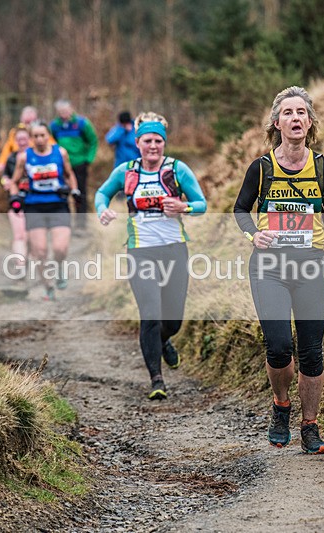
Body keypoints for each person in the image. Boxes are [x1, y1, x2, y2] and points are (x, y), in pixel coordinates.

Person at [233, 86, 324, 454]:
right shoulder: (261, 168)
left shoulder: (322, 167)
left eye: (302, 112)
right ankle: (281, 405)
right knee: (278, 347)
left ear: (310, 122)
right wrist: (254, 235)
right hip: (270, 267)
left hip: (311, 266)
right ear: (276, 123)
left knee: (312, 352)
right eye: (288, 112)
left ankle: (311, 427)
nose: (296, 118)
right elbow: (241, 210)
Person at [95, 112, 207, 400]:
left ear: (164, 142)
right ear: (138, 142)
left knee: (173, 321)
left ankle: (165, 341)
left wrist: (184, 208)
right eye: (148, 140)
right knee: (150, 314)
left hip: (174, 250)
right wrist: (103, 210)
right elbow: (101, 193)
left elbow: (202, 204)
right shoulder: (126, 171)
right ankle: (156, 379)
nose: (154, 146)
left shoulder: (177, 170)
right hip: (140, 252)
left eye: (158, 140)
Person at [9, 121, 80, 301]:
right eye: (36, 136)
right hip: (35, 206)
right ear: (31, 138)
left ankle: (60, 268)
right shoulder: (24, 157)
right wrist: (15, 197)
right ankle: (48, 286)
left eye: (43, 135)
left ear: (48, 135)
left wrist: (74, 190)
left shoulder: (60, 152)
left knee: (60, 248)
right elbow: (14, 182)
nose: (40, 139)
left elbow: (70, 174)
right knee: (40, 252)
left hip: (58, 205)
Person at [50, 100, 98, 232]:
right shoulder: (55, 126)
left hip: (79, 163)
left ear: (71, 109)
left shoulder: (82, 123)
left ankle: (81, 225)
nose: (64, 114)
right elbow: (51, 142)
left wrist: (88, 159)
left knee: (80, 194)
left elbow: (93, 141)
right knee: (62, 193)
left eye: (66, 111)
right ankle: (62, 225)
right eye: (61, 112)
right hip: (61, 165)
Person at [0, 125, 30, 276]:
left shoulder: (37, 156)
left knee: (29, 236)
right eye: (19, 139)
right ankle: (21, 265)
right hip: (16, 201)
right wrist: (5, 182)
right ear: (15, 141)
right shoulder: (11, 159)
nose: (22, 142)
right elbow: (4, 177)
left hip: (34, 201)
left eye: (25, 139)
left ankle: (29, 260)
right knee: (19, 235)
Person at [0, 106, 55, 174]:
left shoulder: (41, 131)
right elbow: (6, 149)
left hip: (38, 162)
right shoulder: (15, 132)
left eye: (31, 122)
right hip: (17, 162)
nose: (28, 126)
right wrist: (1, 163)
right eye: (26, 122)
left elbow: (52, 145)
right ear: (21, 119)